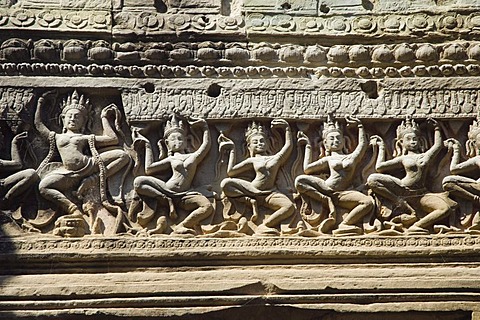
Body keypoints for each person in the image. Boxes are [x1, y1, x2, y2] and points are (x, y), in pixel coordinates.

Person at [34, 90, 130, 220]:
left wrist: (104, 117)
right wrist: (40, 102)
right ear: (63, 118)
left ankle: (92, 180)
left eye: (77, 116)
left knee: (123, 156)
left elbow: (112, 139)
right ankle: (72, 209)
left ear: (84, 121)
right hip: (68, 173)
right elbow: (38, 125)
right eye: (70, 116)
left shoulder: (84, 137)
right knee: (44, 187)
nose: (73, 119)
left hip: (89, 165)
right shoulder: (56, 137)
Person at [367, 116, 455, 234]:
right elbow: (380, 167)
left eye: (415, 139)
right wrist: (382, 147)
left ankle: (417, 226)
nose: (413, 141)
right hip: (403, 189)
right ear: (401, 142)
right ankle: (398, 202)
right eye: (408, 139)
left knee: (445, 208)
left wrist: (437, 128)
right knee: (372, 179)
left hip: (421, 194)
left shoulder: (425, 156)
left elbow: (437, 146)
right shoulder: (403, 158)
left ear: (420, 140)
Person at [133, 114, 213, 235]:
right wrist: (148, 146)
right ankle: (165, 199)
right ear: (167, 143)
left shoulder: (194, 156)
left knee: (207, 207)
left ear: (186, 141)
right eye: (173, 140)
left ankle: (183, 225)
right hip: (167, 189)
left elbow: (206, 146)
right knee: (138, 182)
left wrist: (205, 128)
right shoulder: (171, 159)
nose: (177, 142)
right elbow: (149, 169)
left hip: (185, 195)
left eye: (180, 139)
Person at [295, 115, 374, 235]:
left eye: (338, 138)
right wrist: (308, 147)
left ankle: (345, 224)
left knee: (368, 202)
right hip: (326, 188)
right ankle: (325, 200)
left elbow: (362, 145)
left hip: (343, 194)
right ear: (325, 144)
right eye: (331, 139)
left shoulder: (352, 157)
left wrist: (360, 126)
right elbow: (307, 169)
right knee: (300, 180)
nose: (335, 141)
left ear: (344, 140)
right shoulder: (328, 159)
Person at [219, 119, 295, 235]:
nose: (259, 143)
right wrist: (232, 150)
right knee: (225, 183)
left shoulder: (276, 158)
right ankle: (248, 201)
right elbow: (231, 171)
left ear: (268, 143)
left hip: (270, 193)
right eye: (255, 142)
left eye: (262, 141)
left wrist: (287, 129)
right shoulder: (252, 160)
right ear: (249, 146)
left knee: (289, 207)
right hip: (252, 189)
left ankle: (265, 225)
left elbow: (288, 146)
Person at [442, 117, 480, 230]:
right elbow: (454, 169)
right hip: (477, 187)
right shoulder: (477, 159)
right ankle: (474, 199)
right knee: (448, 182)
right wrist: (457, 149)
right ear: (473, 143)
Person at [0, 130, 38, 209]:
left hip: (2, 185)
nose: (2, 139)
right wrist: (14, 143)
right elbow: (18, 164)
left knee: (31, 174)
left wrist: (14, 142)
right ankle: (6, 200)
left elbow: (17, 164)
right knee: (31, 173)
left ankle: (6, 199)